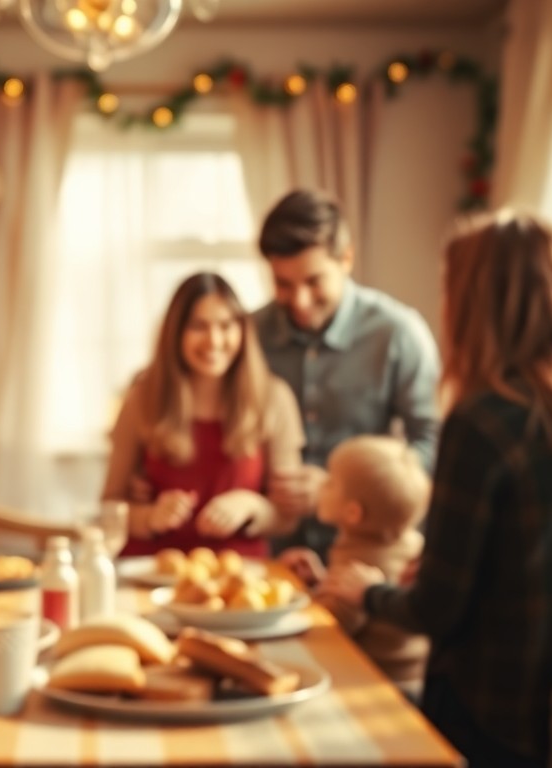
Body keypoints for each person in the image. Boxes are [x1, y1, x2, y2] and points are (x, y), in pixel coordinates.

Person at [321, 211, 552, 767]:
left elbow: (435, 613)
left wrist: (368, 592)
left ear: (477, 302)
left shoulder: (483, 422)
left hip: (491, 714)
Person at [251, 189, 441, 563]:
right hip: (270, 553)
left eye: (313, 281)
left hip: (368, 559)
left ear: (347, 258)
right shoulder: (249, 334)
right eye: (283, 284)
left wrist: (344, 489)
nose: (300, 301)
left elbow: (432, 443)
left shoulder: (397, 333)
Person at [101, 272, 305, 559]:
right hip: (150, 569)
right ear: (176, 333)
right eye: (199, 326)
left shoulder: (274, 398)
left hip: (238, 573)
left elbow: (287, 517)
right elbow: (109, 507)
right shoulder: (142, 396)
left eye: (226, 325)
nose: (214, 340)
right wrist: (150, 517)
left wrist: (251, 505)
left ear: (243, 331)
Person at [285, 435, 430, 696]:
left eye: (330, 482)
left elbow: (333, 625)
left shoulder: (362, 559)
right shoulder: (405, 543)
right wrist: (320, 582)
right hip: (413, 679)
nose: (321, 486)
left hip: (378, 684)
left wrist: (302, 597)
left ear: (353, 513)